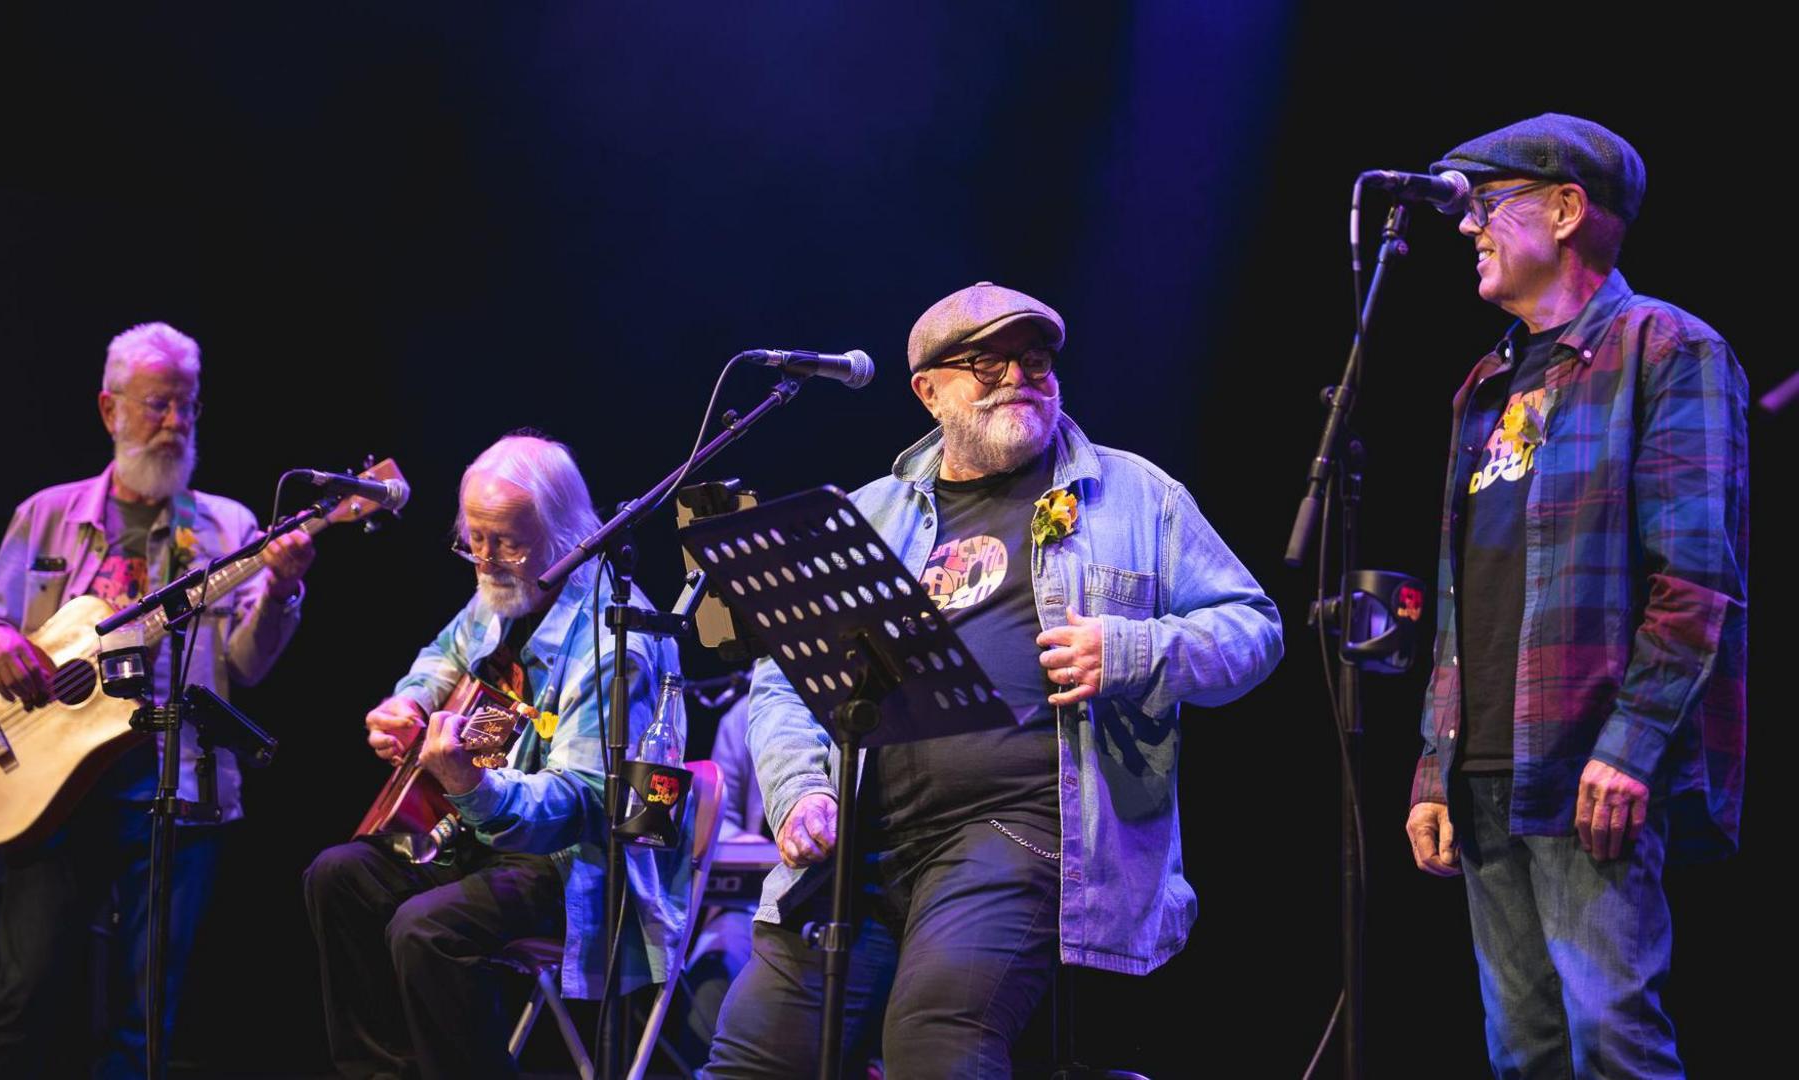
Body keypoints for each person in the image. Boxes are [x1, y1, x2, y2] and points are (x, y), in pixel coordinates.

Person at [706, 282, 1284, 1077]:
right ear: (929, 391)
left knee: (936, 1041)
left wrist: (1130, 650)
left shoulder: (1134, 496)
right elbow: (782, 681)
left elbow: (1254, 629)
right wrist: (801, 788)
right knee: (753, 1061)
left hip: (1019, 830)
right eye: (986, 362)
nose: (1017, 375)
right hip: (858, 846)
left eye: (1035, 359)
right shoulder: (869, 514)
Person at [1404, 114, 1749, 1078]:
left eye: (1485, 205)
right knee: (1524, 1048)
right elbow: (1460, 593)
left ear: (1564, 211)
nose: (1466, 226)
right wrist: (1436, 764)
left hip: (1589, 760)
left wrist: (1632, 748)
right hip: (1483, 766)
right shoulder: (1487, 382)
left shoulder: (1668, 350)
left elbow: (1695, 580)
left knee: (1613, 1038)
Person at [0, 320, 315, 1078]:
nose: (176, 424)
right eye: (157, 405)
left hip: (177, 793)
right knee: (27, 993)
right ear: (108, 409)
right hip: (50, 791)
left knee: (148, 1012)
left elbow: (246, 668)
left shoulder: (229, 529)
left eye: (188, 406)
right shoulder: (46, 514)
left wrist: (281, 588)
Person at [302, 432, 691, 1079]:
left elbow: (585, 801)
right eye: (473, 539)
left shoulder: (613, 642)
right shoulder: (499, 592)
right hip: (481, 837)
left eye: (507, 541)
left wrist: (473, 787)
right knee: (336, 877)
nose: (486, 560)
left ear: (565, 536)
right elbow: (443, 656)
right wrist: (410, 704)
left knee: (423, 930)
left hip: (575, 867)